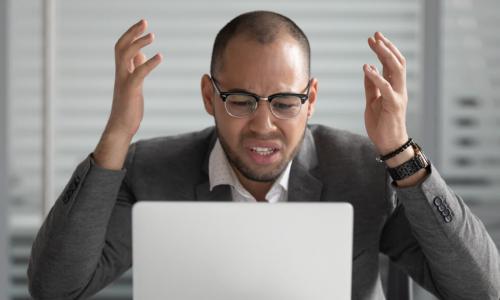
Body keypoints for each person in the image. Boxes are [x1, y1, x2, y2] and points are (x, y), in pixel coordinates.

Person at [27, 11, 499, 300]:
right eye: (241, 100)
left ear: (310, 99)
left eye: (285, 101)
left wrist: (399, 151)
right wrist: (115, 136)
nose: (263, 123)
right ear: (210, 97)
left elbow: (481, 291)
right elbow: (55, 288)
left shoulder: (363, 169)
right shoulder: (152, 168)